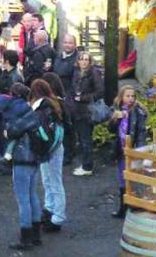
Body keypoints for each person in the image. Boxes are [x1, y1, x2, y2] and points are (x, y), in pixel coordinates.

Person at [3, 84, 44, 250]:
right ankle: (36, 234)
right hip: (35, 156)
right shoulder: (34, 112)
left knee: (23, 199)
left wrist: (7, 131)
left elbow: (12, 131)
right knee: (33, 195)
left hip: (21, 158)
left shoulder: (15, 111)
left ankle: (25, 237)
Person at [29, 78, 67, 232]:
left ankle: (56, 216)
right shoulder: (55, 104)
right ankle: (52, 210)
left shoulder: (40, 108)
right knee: (52, 180)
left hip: (47, 148)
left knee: (51, 181)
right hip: (55, 146)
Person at [71, 52, 103, 176]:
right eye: (81, 59)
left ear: (90, 61)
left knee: (86, 139)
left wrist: (83, 98)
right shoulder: (76, 72)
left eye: (86, 59)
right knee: (81, 138)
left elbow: (100, 91)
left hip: (87, 111)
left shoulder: (94, 73)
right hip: (77, 110)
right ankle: (85, 163)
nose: (83, 62)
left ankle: (87, 167)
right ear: (78, 61)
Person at [52, 35, 79, 164]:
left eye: (70, 43)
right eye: (66, 42)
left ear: (75, 44)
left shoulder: (77, 59)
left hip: (68, 97)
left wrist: (69, 97)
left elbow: (75, 80)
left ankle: (69, 154)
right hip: (56, 95)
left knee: (68, 127)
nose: (67, 45)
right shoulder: (58, 56)